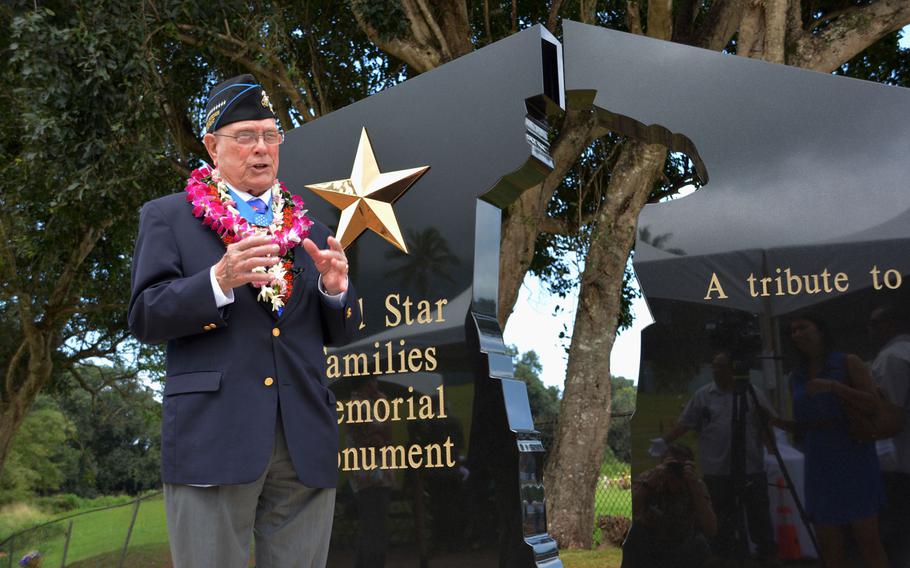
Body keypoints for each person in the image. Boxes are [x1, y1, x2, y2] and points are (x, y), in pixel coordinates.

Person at [128, 74, 358, 568]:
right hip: (213, 437)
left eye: (271, 136)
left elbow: (340, 332)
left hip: (304, 441)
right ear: (213, 146)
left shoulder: (311, 228)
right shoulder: (168, 217)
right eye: (245, 136)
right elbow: (145, 315)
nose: (261, 149)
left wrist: (336, 292)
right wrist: (217, 280)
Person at [775, 314, 887, 568]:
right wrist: (771, 421)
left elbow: (873, 404)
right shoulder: (797, 376)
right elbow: (806, 427)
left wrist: (835, 387)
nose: (796, 335)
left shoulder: (848, 362)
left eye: (802, 327)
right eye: (792, 331)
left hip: (853, 458)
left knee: (868, 541)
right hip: (819, 464)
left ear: (821, 330)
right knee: (828, 545)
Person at [650, 352, 777, 564]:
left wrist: (772, 450)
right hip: (717, 468)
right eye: (714, 366)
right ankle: (721, 554)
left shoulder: (751, 394)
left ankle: (767, 553)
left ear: (733, 370)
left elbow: (766, 424)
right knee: (720, 514)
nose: (716, 371)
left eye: (721, 367)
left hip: (750, 466)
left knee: (758, 514)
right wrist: (664, 441)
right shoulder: (704, 396)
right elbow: (686, 423)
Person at [623, 444, 716, 568]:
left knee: (701, 544)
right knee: (634, 536)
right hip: (652, 541)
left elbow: (711, 528)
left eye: (679, 467)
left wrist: (695, 489)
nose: (674, 471)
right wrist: (649, 484)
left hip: (682, 543)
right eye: (671, 466)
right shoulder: (650, 478)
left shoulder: (695, 484)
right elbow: (631, 509)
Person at [868, 305, 910, 568]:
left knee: (897, 535)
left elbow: (888, 416)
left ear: (888, 325)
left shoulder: (892, 358)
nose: (870, 332)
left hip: (899, 461)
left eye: (873, 325)